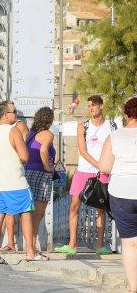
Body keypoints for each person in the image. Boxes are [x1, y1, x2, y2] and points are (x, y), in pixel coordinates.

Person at [57, 95, 116, 255]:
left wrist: (107, 167)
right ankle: (72, 244)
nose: (91, 108)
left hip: (102, 174)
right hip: (83, 172)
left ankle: (99, 245)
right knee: (74, 207)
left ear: (101, 106)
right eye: (89, 105)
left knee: (100, 209)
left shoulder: (111, 126)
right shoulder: (83, 126)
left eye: (94, 105)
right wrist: (100, 165)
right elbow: (82, 151)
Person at [0, 101, 37, 264]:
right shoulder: (13, 131)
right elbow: (25, 156)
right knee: (26, 213)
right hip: (16, 182)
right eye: (14, 112)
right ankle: (30, 252)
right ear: (5, 115)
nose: (17, 116)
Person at [99, 96, 137, 293]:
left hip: (121, 193)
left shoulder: (114, 136)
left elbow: (104, 167)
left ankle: (133, 290)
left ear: (126, 114)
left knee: (130, 243)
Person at [23, 107, 55, 259]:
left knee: (29, 213)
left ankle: (30, 248)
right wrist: (49, 169)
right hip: (41, 174)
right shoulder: (48, 134)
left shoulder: (30, 135)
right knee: (38, 214)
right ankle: (32, 249)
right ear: (49, 120)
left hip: (27, 173)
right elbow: (43, 151)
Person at [2, 102, 29, 253]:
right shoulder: (8, 128)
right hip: (9, 172)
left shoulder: (19, 126)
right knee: (9, 211)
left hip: (17, 172)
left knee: (18, 211)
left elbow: (23, 150)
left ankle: (22, 245)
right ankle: (11, 242)